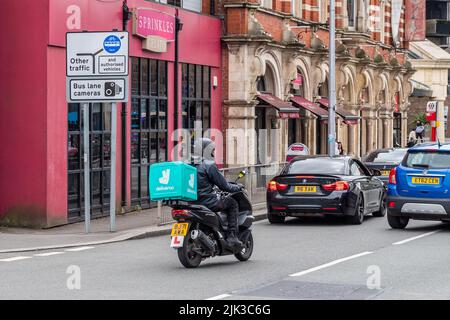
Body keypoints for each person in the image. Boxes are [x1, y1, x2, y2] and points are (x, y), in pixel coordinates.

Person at [191, 138, 243, 249]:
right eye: (212, 150)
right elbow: (224, 186)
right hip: (207, 201)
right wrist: (238, 187)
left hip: (189, 202)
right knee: (232, 203)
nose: (213, 152)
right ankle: (232, 236)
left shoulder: (188, 165)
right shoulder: (208, 165)